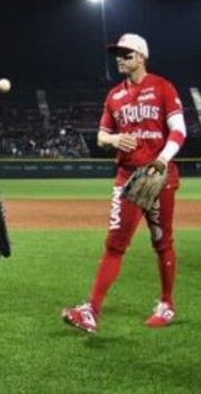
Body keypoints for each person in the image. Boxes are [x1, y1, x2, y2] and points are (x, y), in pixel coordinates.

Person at [62, 33, 185, 333]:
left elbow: (179, 129)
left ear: (141, 57)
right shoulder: (114, 96)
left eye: (126, 54)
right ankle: (91, 311)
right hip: (128, 177)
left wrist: (162, 159)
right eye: (117, 54)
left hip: (159, 177)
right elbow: (101, 136)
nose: (119, 59)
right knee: (115, 244)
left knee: (162, 242)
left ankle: (166, 304)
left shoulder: (163, 87)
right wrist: (115, 139)